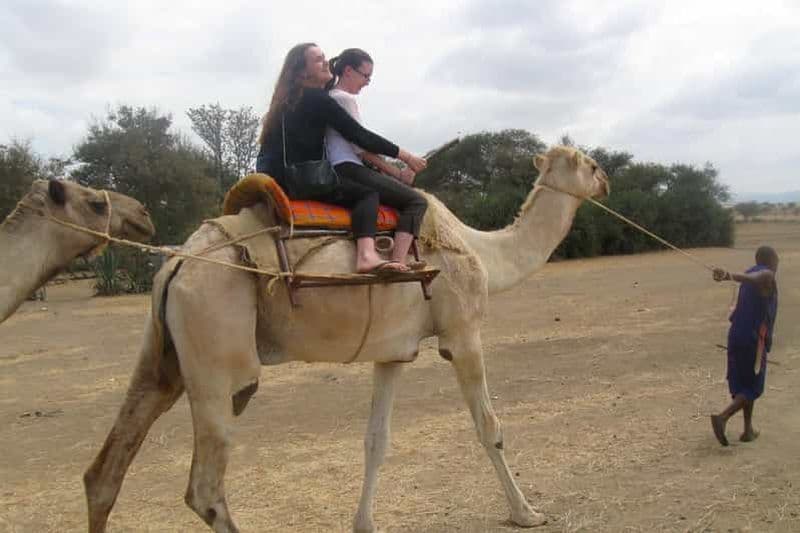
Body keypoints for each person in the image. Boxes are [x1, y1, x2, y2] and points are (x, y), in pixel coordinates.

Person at [256, 43, 427, 274]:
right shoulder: (316, 98)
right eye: (318, 60)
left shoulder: (285, 102)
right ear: (302, 72)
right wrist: (406, 156)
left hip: (275, 178)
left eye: (324, 57)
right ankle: (367, 256)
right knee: (367, 195)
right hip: (300, 179)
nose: (326, 62)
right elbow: (359, 136)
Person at [323, 48, 427, 269]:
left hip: (340, 167)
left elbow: (361, 148)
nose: (367, 82)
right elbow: (362, 146)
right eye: (365, 76)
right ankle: (398, 261)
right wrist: (399, 170)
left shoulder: (330, 97)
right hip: (348, 167)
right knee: (417, 201)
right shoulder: (343, 99)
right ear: (348, 71)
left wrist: (396, 173)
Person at [710, 246, 779, 446]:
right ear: (771, 260)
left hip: (736, 335)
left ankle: (748, 430)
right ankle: (722, 418)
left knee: (744, 383)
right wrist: (729, 275)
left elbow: (750, 279)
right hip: (752, 339)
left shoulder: (750, 274)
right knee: (753, 386)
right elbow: (757, 278)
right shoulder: (766, 274)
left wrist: (729, 276)